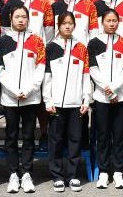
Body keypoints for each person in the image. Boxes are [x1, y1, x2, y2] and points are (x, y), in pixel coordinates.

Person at [0, 5, 47, 194]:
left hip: (30, 98)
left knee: (28, 137)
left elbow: (40, 68)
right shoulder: (3, 41)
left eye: (24, 17)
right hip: (10, 99)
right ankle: (13, 173)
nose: (20, 20)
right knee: (11, 136)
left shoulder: (37, 41)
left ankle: (26, 173)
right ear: (11, 18)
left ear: (28, 19)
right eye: (17, 16)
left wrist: (28, 89)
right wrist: (13, 90)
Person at [44, 12, 92, 193]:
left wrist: (86, 99)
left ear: (74, 25)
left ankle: (72, 175)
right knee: (56, 140)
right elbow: (47, 77)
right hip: (56, 103)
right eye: (64, 23)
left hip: (76, 103)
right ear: (58, 25)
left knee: (75, 140)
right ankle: (57, 176)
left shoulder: (81, 47)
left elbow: (86, 76)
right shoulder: (51, 47)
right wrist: (48, 100)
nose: (67, 26)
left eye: (70, 23)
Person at [89, 9, 123, 189]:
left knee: (119, 136)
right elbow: (92, 68)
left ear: (119, 22)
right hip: (101, 98)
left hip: (121, 98)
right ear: (102, 22)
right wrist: (107, 89)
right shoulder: (94, 43)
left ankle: (118, 172)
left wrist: (114, 89)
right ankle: (103, 172)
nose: (112, 23)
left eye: (114, 20)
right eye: (108, 20)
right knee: (103, 136)